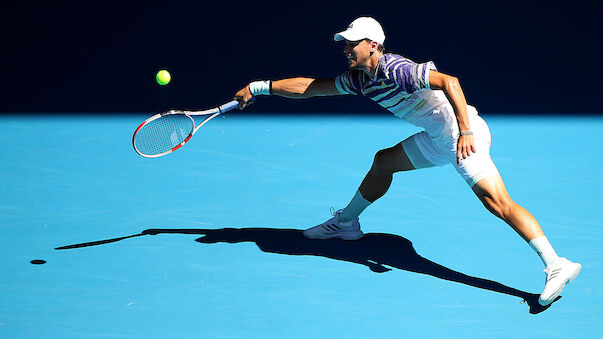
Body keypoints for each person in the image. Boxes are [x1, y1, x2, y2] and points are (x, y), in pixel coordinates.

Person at [233, 17, 580, 307]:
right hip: (435, 137)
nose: (345, 48)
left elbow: (450, 82)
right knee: (384, 162)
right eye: (344, 42)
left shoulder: (395, 68)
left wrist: (465, 132)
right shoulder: (358, 79)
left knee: (497, 202)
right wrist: (261, 87)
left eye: (352, 43)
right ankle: (346, 224)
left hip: (461, 135)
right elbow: (311, 87)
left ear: (372, 45)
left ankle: (556, 264)